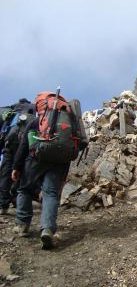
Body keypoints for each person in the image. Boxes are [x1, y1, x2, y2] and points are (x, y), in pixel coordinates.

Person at [12, 91, 82, 249]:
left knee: (24, 189)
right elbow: (70, 149)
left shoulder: (38, 121)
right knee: (51, 193)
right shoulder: (68, 126)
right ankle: (48, 229)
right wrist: (64, 177)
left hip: (37, 158)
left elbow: (24, 146)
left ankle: (22, 225)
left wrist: (16, 167)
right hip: (60, 162)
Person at [0, 99, 36, 215]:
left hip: (9, 143)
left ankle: (3, 205)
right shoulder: (33, 111)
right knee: (20, 172)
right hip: (25, 145)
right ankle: (16, 199)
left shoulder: (12, 110)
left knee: (5, 173)